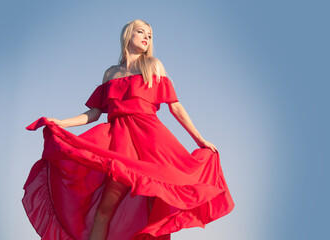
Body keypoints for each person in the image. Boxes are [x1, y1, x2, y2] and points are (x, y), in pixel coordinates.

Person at [23, 19, 234, 240]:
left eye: (150, 35)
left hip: (151, 141)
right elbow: (93, 114)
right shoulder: (110, 74)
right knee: (104, 210)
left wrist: (199, 139)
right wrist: (60, 122)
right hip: (120, 142)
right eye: (141, 32)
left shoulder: (153, 65)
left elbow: (176, 107)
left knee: (159, 204)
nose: (146, 37)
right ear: (128, 35)